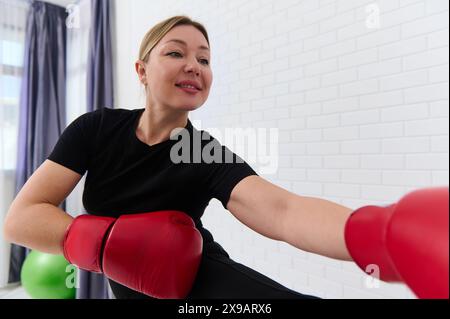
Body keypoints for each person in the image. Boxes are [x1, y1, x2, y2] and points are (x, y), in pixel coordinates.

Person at [3, 16, 448, 299]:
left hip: (204, 287)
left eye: (205, 58)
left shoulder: (202, 151)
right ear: (141, 70)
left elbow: (283, 211)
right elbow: (21, 219)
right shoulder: (97, 128)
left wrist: (379, 237)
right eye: (176, 52)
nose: (194, 65)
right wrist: (113, 246)